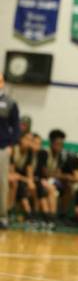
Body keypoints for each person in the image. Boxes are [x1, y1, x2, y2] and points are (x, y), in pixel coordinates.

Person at [0, 74, 20, 228]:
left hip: (2, 147)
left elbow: (16, 127)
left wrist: (11, 146)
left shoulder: (10, 103)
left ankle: (2, 216)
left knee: (1, 182)